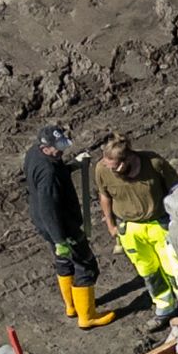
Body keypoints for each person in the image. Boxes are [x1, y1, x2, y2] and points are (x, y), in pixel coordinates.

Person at [21, 126, 115, 330]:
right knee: (85, 264)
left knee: (64, 261)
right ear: (45, 148)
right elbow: (49, 210)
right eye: (57, 148)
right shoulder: (47, 174)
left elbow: (56, 169)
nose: (60, 151)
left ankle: (71, 307)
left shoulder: (34, 154)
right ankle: (87, 317)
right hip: (62, 226)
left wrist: (72, 165)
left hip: (42, 222)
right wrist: (60, 240)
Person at [90, 132, 178, 327]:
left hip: (159, 223)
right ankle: (165, 307)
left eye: (113, 166)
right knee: (148, 270)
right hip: (130, 229)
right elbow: (105, 196)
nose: (109, 168)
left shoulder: (153, 163)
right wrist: (110, 224)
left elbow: (176, 188)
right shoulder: (102, 169)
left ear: (126, 161)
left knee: (175, 268)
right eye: (107, 164)